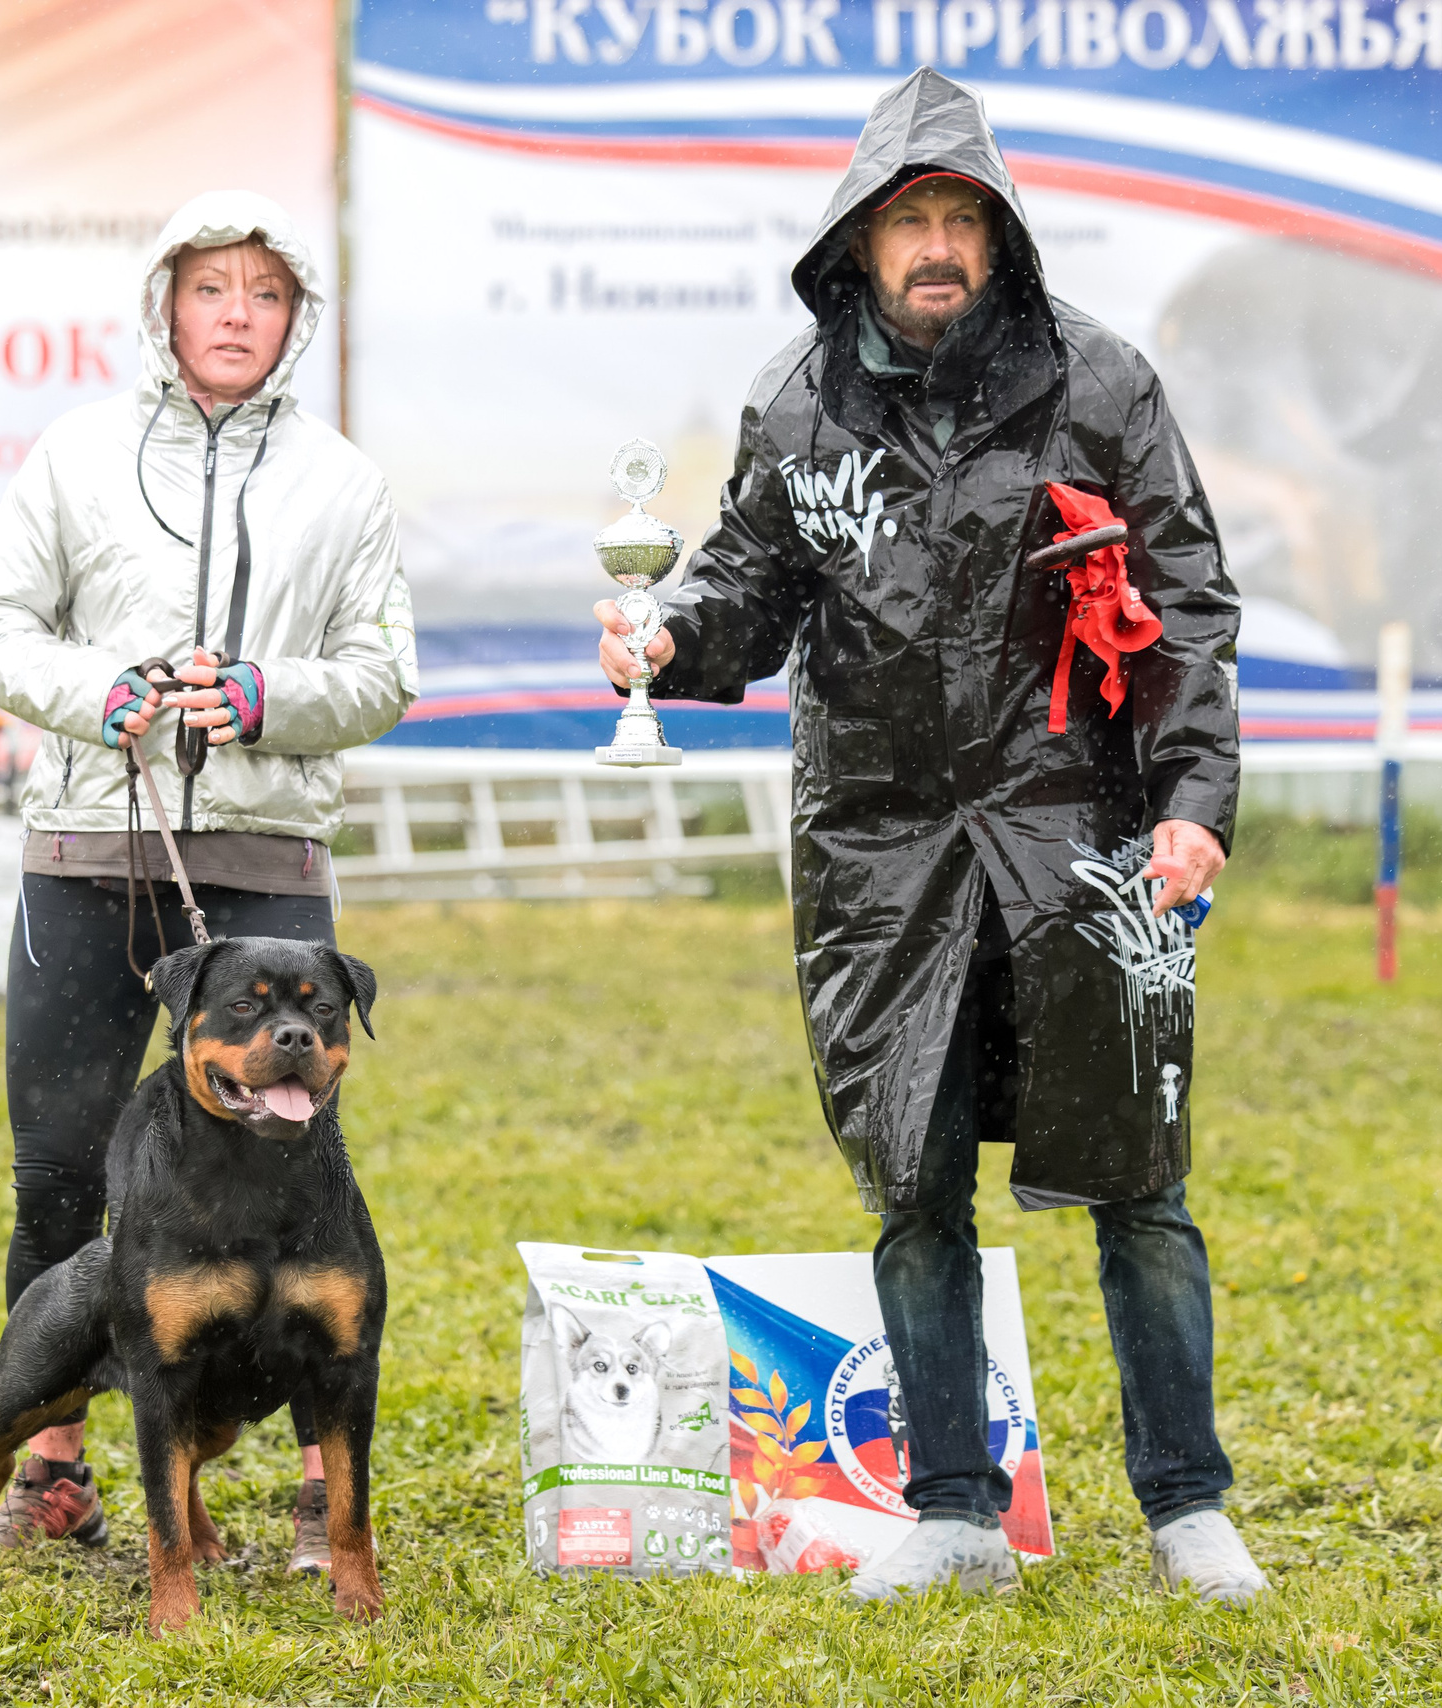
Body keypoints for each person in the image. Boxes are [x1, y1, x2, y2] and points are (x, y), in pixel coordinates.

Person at [595, 70, 1262, 1605]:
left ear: (1001, 234)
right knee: (915, 1173)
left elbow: (1189, 608)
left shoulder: (1101, 384)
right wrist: (665, 636)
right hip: (880, 854)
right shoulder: (798, 401)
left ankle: (1187, 1505)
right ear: (861, 240)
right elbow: (746, 596)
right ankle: (955, 1507)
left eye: (962, 215)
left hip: (1084, 834)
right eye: (911, 219)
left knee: (1138, 1177)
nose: (937, 245)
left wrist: (1191, 804)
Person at [0, 190, 417, 1570]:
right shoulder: (75, 454)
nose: (235, 316)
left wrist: (267, 698)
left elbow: (386, 675)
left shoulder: (345, 479)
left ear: (296, 319)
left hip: (268, 871)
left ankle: (317, 1467)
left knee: (298, 1156)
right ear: (166, 305)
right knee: (58, 1168)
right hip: (91, 853)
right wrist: (100, 693)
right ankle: (55, 1471)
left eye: (263, 295)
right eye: (211, 289)